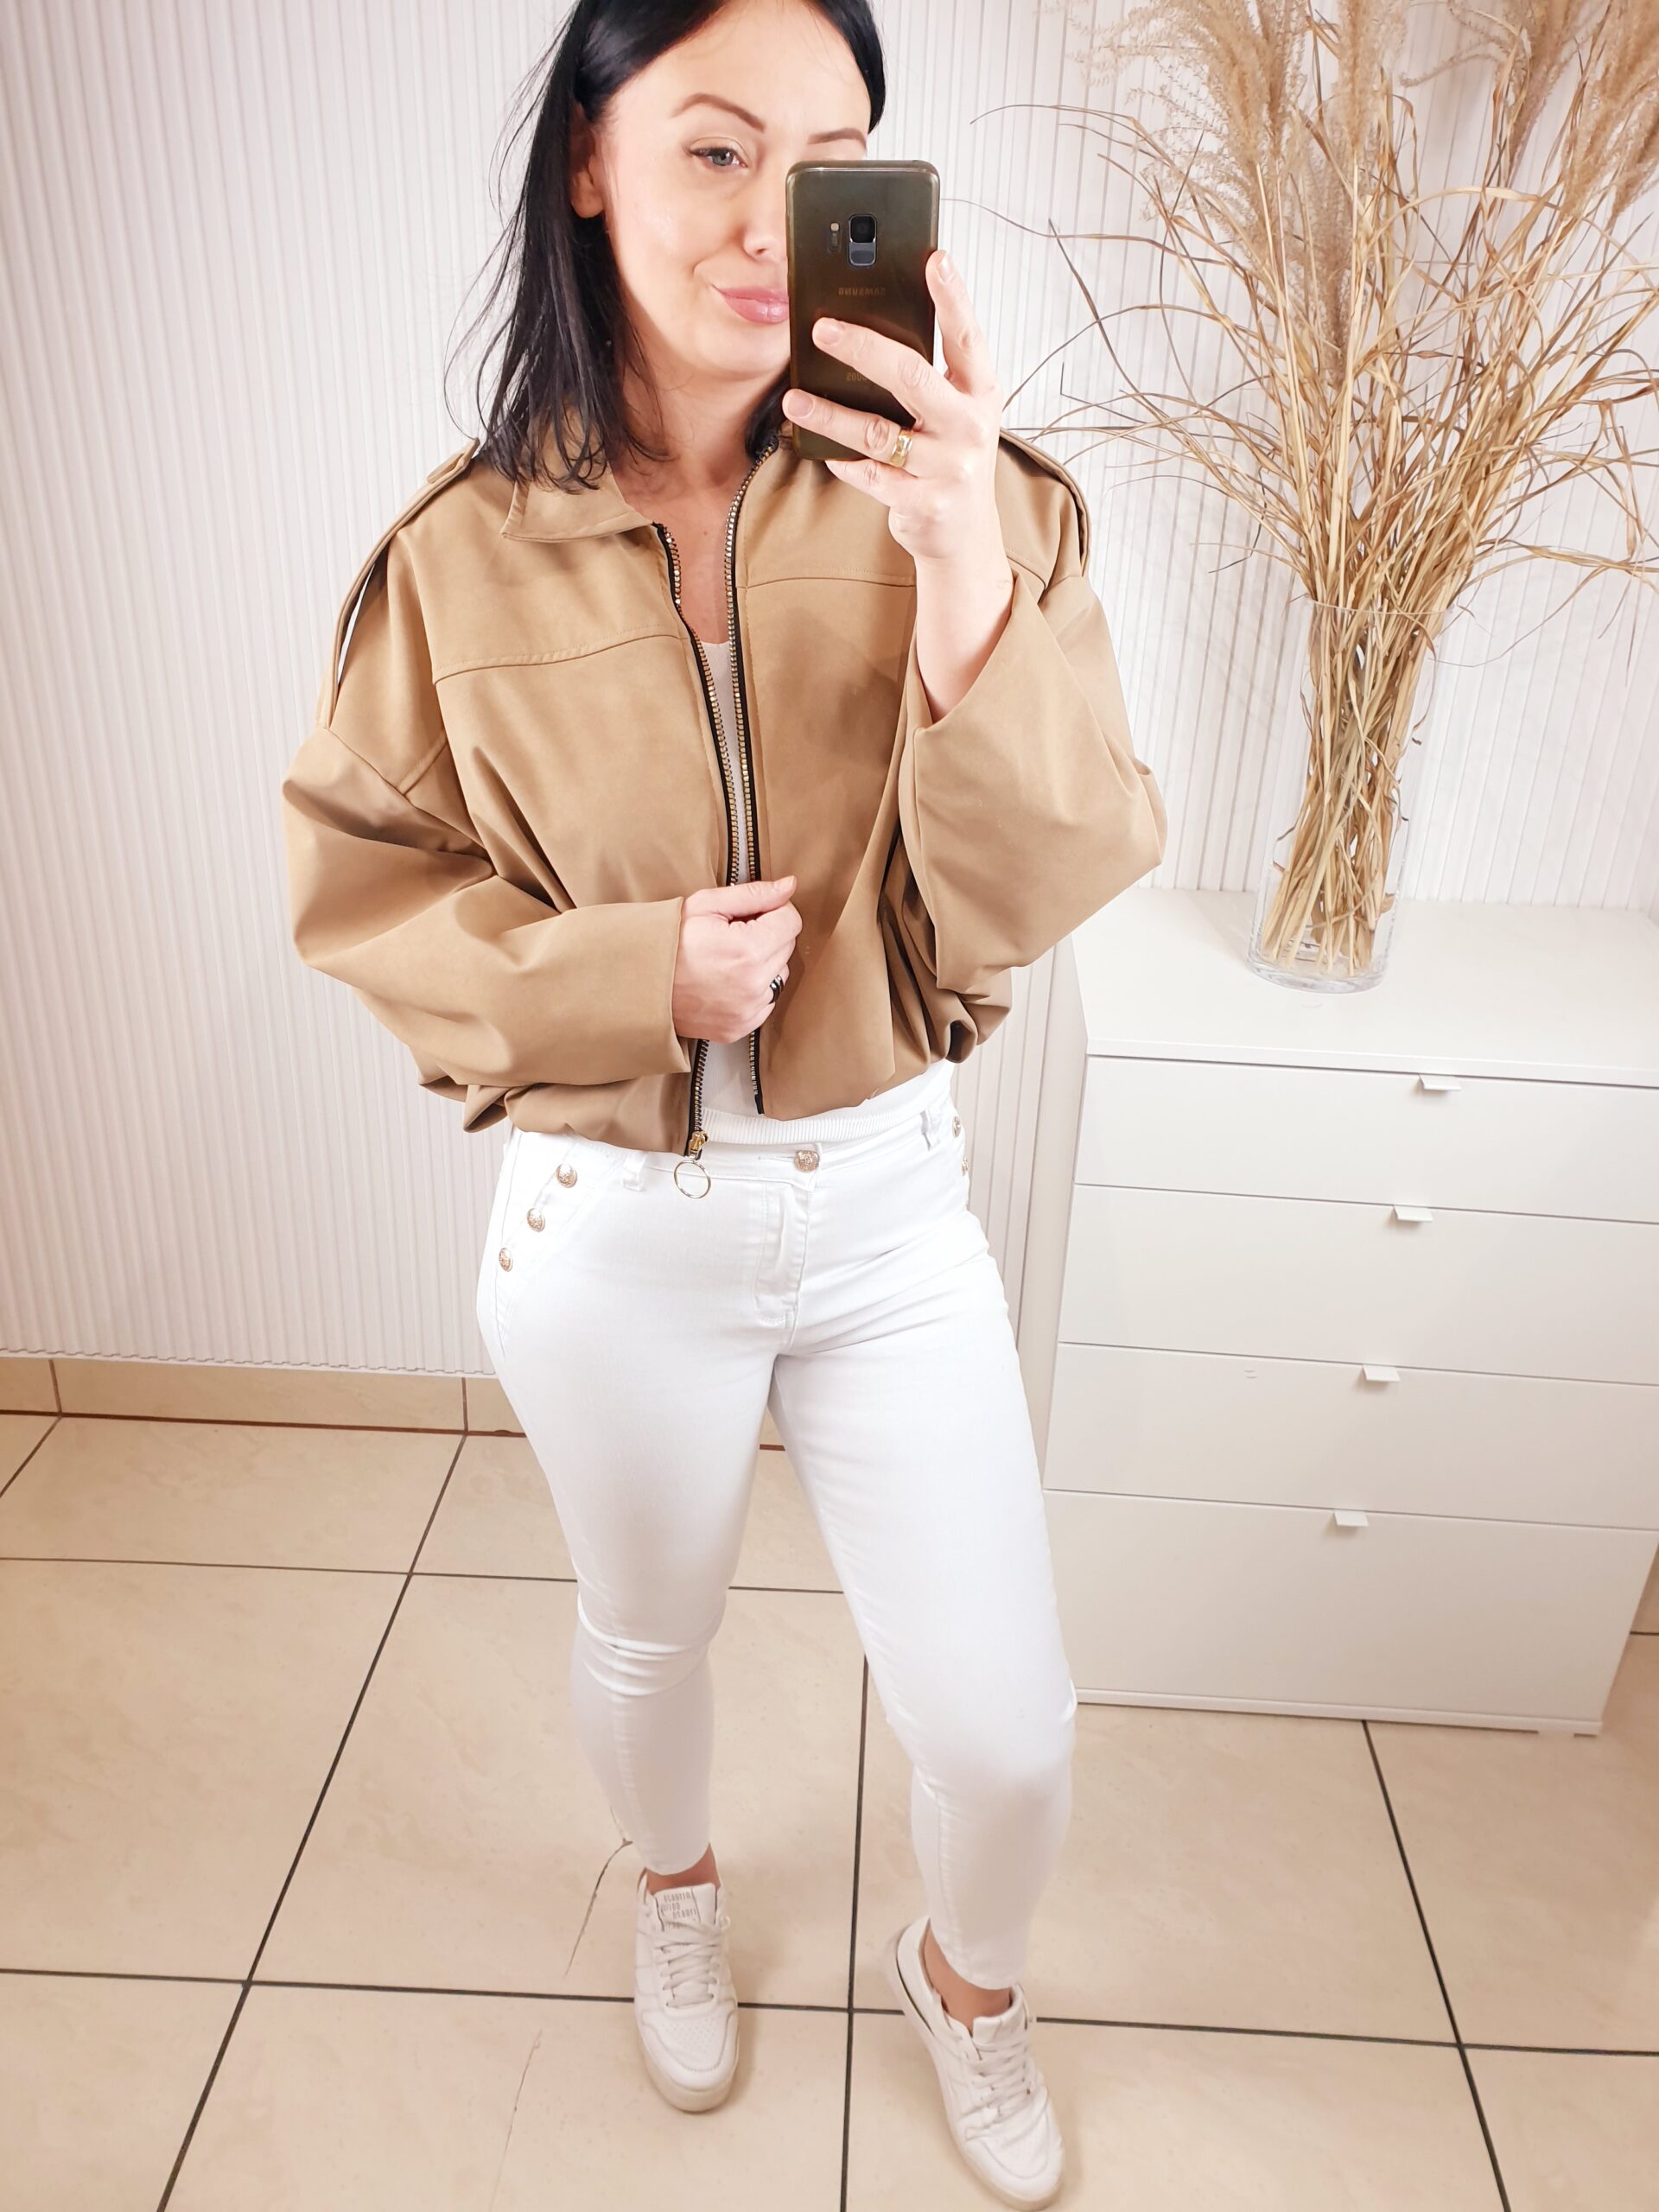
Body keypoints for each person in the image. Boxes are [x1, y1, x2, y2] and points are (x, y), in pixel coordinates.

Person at [280, 1, 1168, 2202]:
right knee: (648, 1630)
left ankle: (967, 1976)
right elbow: (366, 896)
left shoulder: (979, 507)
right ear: (588, 162)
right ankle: (673, 1884)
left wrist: (962, 564)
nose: (775, 220)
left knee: (1004, 1727)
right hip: (608, 1228)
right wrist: (631, 978)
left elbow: (1041, 885)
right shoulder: (456, 558)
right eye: (712, 148)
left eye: (830, 157)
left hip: (889, 1209)